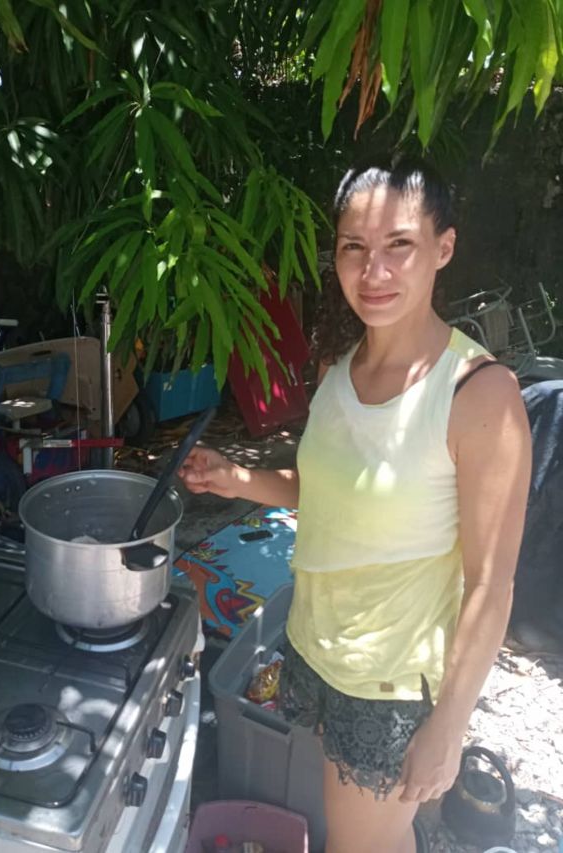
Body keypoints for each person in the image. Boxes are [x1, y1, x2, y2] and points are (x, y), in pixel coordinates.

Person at [178, 159, 531, 853]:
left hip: (391, 686)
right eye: (354, 248)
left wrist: (449, 726)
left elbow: (493, 582)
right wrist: (237, 476)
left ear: (444, 247)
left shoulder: (479, 395)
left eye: (399, 244)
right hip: (315, 647)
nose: (374, 270)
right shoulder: (341, 374)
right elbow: (330, 491)